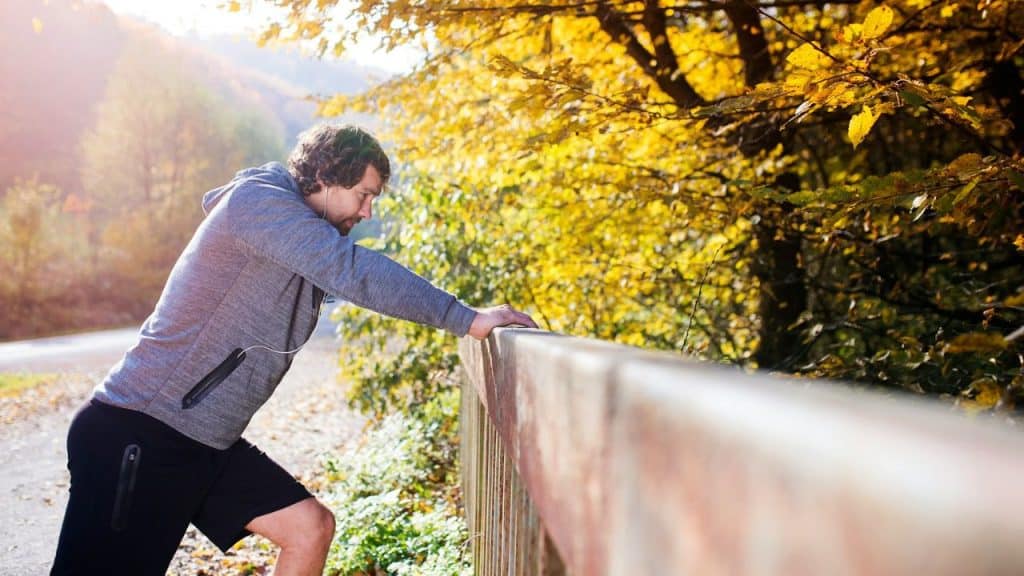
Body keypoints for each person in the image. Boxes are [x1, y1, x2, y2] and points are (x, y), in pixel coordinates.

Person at [50, 124, 538, 575]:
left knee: (309, 528)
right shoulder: (257, 206)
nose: (367, 213)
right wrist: (468, 319)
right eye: (364, 195)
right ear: (325, 176)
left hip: (203, 441)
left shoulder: (296, 229)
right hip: (141, 432)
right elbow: (357, 274)